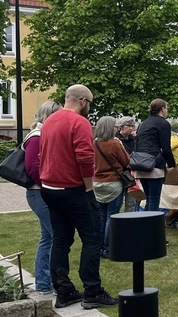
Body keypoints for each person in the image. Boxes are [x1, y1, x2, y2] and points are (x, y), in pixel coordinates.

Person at [39, 85, 117, 309]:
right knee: (92, 238)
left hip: (50, 188)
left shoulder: (49, 121)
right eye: (89, 103)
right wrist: (88, 186)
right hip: (73, 189)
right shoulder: (79, 122)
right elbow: (84, 157)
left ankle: (64, 291)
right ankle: (92, 291)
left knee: (60, 240)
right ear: (83, 101)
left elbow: (43, 154)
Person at [23, 101, 62, 294]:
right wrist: (49, 185)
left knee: (47, 237)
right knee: (57, 236)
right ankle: (54, 283)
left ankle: (44, 283)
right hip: (40, 192)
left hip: (41, 191)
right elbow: (32, 167)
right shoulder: (37, 136)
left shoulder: (42, 134)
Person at [92, 116, 131, 259]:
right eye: (115, 127)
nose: (116, 129)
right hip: (113, 182)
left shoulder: (94, 143)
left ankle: (100, 247)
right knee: (111, 217)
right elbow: (126, 161)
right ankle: (108, 248)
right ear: (110, 128)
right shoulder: (114, 144)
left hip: (97, 183)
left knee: (102, 217)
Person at [135, 99, 175, 212]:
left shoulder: (143, 123)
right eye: (166, 108)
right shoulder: (163, 123)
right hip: (154, 164)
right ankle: (151, 222)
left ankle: (145, 221)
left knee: (148, 199)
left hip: (140, 163)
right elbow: (166, 148)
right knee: (154, 199)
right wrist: (172, 164)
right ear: (162, 109)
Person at [116, 117, 137, 212]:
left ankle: (129, 220)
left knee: (131, 202)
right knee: (117, 203)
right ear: (121, 126)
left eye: (132, 126)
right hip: (120, 174)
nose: (131, 128)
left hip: (131, 174)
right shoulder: (116, 140)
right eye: (128, 125)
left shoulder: (134, 140)